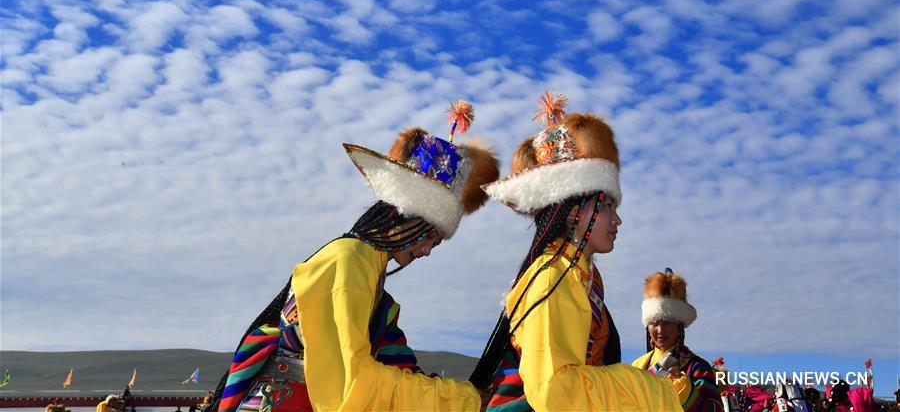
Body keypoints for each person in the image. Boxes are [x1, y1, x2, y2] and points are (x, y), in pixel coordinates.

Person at [210, 101, 500, 412]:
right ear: (404, 216)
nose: (428, 251)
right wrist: (462, 400)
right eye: (430, 236)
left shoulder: (374, 286)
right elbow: (353, 383)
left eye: (437, 243)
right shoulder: (349, 259)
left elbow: (396, 368)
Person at [470, 92, 686, 411]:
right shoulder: (551, 279)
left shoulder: (579, 277)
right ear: (573, 211)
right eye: (608, 206)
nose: (618, 219)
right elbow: (554, 391)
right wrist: (648, 386)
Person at [632, 269, 724, 411]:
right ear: (647, 326)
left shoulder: (698, 368)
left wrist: (688, 396)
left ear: (679, 327)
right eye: (655, 323)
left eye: (667, 322)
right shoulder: (636, 367)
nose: (660, 330)